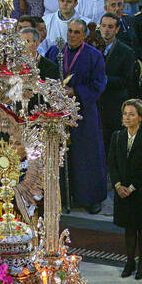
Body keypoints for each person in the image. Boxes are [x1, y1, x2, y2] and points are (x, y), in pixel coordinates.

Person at [49, 18, 110, 213]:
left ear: (84, 35)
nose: (72, 35)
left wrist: (74, 92)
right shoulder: (54, 52)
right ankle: (64, 196)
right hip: (58, 113)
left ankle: (91, 198)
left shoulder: (94, 56)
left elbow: (99, 84)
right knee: (61, 156)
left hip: (84, 113)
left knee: (86, 155)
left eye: (77, 32)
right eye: (70, 31)